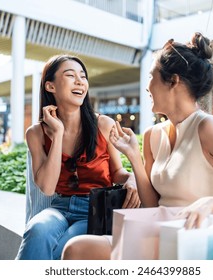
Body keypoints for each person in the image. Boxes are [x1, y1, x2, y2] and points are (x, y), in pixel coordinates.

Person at [61, 32, 213, 260]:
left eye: (151, 77)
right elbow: (151, 205)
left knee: (77, 250)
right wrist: (133, 155)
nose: (147, 87)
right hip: (157, 233)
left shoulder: (208, 127)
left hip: (191, 241)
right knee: (77, 249)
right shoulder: (153, 135)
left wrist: (209, 204)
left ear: (173, 81)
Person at [15, 54, 140, 260]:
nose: (80, 81)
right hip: (59, 208)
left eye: (83, 76)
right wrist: (57, 134)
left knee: (65, 246)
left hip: (93, 209)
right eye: (70, 75)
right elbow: (47, 187)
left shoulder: (103, 125)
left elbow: (117, 172)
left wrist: (133, 178)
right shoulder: (36, 133)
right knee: (37, 229)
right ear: (50, 86)